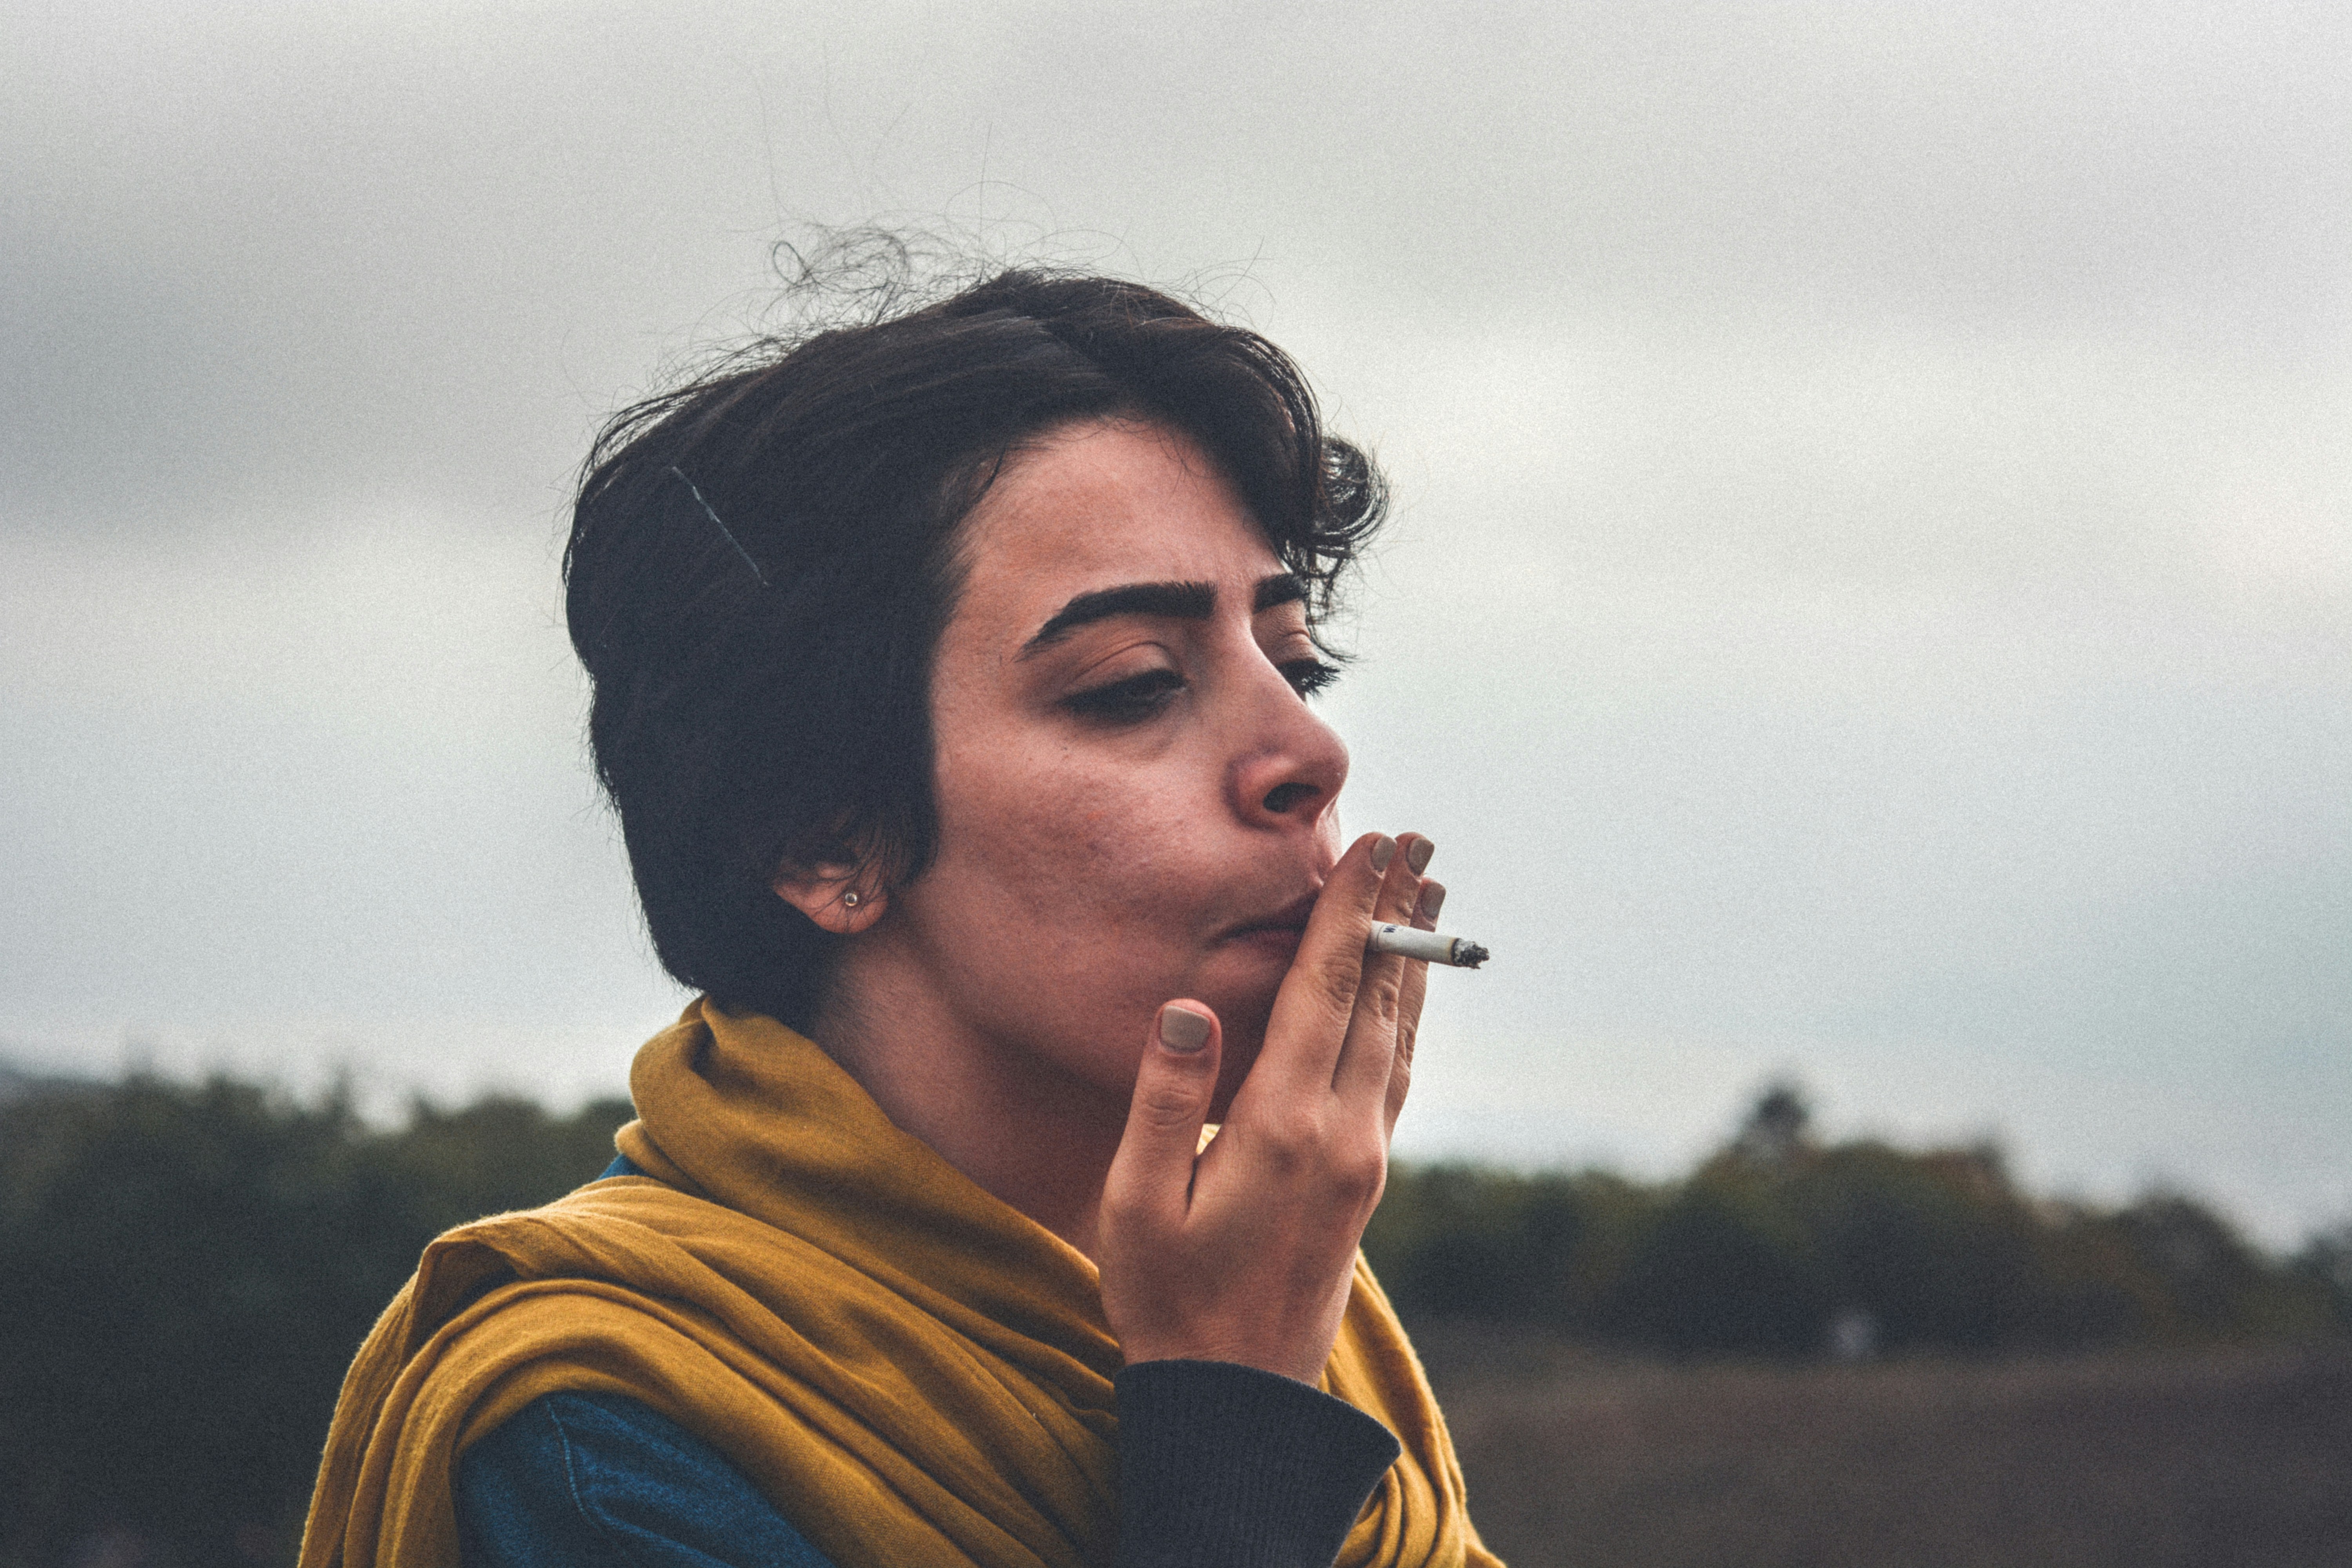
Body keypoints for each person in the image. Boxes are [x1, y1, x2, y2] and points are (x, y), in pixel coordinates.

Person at [299, 265, 1499, 1568]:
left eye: (1295, 664)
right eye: (1135, 684)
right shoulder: (609, 1431)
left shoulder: (1283, 1282)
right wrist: (1237, 1427)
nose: (1310, 752)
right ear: (827, 841)